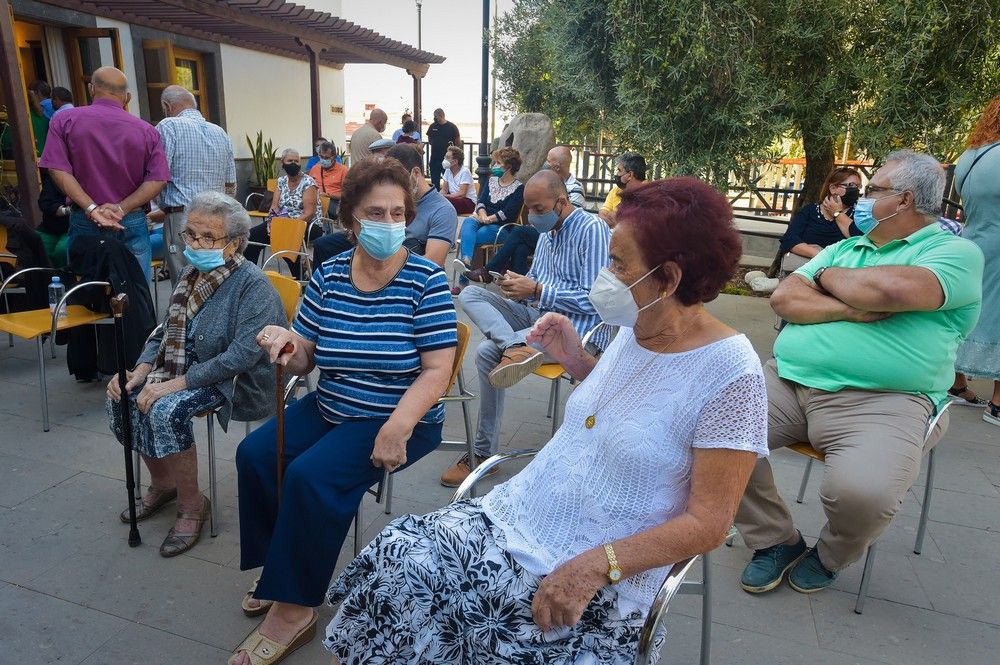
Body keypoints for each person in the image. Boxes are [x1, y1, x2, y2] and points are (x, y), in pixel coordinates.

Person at [323, 177, 766, 664]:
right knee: (397, 555)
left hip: (600, 568)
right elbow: (633, 410)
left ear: (669, 279)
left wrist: (598, 566)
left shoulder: (730, 373)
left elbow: (710, 523)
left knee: (450, 607)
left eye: (618, 263)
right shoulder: (638, 326)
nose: (606, 273)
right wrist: (576, 361)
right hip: (529, 513)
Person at [230, 158, 458, 665]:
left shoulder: (425, 279)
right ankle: (278, 569)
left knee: (311, 477)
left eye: (397, 212)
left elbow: (438, 370)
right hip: (334, 403)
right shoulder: (330, 275)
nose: (389, 222)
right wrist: (289, 346)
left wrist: (399, 425)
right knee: (256, 454)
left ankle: (294, 609)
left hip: (399, 415)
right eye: (376, 211)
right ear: (352, 219)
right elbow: (308, 353)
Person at [735, 150, 983, 596]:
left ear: (904, 200)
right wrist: (851, 305)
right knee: (710, 434)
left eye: (872, 190)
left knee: (863, 495)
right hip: (789, 380)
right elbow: (786, 300)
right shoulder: (846, 247)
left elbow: (889, 288)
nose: (860, 199)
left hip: (887, 399)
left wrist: (825, 276)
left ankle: (830, 555)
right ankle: (775, 540)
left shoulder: (955, 252)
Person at [105, 191, 285, 556]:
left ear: (234, 244)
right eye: (190, 234)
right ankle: (164, 482)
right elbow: (166, 327)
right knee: (122, 396)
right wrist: (140, 369)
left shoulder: (253, 286)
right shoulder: (192, 272)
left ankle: (192, 505)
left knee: (167, 409)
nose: (195, 244)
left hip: (232, 377)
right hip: (183, 362)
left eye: (208, 238)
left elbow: (240, 357)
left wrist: (172, 384)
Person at [442, 170, 611, 487]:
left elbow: (597, 302)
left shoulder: (592, 229)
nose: (532, 217)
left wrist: (536, 291)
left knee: (484, 353)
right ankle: (512, 347)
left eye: (538, 210)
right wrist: (513, 287)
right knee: (471, 293)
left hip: (575, 333)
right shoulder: (547, 236)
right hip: (540, 318)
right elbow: (537, 291)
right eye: (528, 209)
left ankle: (483, 454)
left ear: (561, 202)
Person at [39, 66, 169, 282]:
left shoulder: (64, 121)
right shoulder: (147, 130)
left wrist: (92, 208)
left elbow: (57, 169)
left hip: (84, 218)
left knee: (87, 295)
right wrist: (121, 208)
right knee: (134, 297)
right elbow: (157, 179)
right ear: (127, 97)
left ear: (91, 89)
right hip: (130, 218)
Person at [312, 144, 456, 268]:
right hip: (374, 241)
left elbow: (434, 261)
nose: (395, 184)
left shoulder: (442, 210)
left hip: (405, 256)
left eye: (400, 178)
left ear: (416, 173)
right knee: (324, 245)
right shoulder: (391, 196)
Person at [464, 145, 588, 283]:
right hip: (543, 231)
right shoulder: (546, 184)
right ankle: (519, 289)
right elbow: (481, 202)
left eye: (548, 160)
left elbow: (568, 221)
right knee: (520, 247)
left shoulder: (575, 188)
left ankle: (489, 270)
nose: (545, 163)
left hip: (561, 235)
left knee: (519, 232)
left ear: (557, 167)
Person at [156, 85, 236, 287]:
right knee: (213, 279)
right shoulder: (219, 132)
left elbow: (158, 176)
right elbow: (230, 184)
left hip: (183, 217)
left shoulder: (169, 126)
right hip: (217, 216)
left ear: (167, 106)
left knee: (185, 282)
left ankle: (186, 319)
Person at [952, 93, 1000, 420]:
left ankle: (954, 383)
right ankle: (998, 402)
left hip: (972, 240)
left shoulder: (969, 156)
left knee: (967, 308)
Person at [745, 168, 862, 293]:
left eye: (857, 187)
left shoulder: (860, 215)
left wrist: (837, 213)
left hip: (839, 274)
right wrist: (819, 254)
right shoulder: (810, 211)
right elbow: (789, 240)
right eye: (850, 185)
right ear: (832, 188)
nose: (854, 190)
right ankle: (783, 283)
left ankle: (780, 283)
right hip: (806, 266)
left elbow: (858, 239)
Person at [452, 147, 524, 294]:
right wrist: (483, 216)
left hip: (501, 228)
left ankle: (462, 283)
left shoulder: (519, 188)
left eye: (498, 163)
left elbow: (508, 212)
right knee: (468, 222)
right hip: (482, 219)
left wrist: (488, 219)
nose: (494, 166)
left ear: (508, 167)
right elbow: (481, 202)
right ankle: (466, 261)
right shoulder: (492, 181)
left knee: (471, 237)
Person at [244, 148, 321, 278]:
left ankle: (299, 277)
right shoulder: (281, 181)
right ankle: (250, 275)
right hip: (282, 222)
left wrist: (287, 225)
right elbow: (274, 207)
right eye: (290, 161)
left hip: (307, 224)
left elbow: (309, 213)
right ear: (283, 163)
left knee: (285, 237)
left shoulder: (308, 182)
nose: (293, 164)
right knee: (252, 236)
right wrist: (271, 222)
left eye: (296, 161)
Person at [599, 151, 646, 228]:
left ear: (630, 175)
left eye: (619, 170)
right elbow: (602, 213)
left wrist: (615, 221)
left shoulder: (649, 193)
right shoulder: (615, 191)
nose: (617, 174)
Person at [36, 169, 71, 268]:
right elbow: (44, 203)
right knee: (36, 245)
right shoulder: (54, 176)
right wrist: (66, 210)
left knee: (62, 250)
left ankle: (64, 278)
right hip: (50, 227)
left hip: (73, 228)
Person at [307, 140, 347, 219]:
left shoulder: (343, 170)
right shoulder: (315, 169)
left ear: (334, 157)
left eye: (327, 158)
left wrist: (328, 195)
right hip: (315, 202)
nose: (323, 160)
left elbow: (347, 195)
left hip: (335, 203)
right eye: (321, 157)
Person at [427, 107, 461, 189]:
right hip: (434, 159)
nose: (434, 118)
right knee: (434, 182)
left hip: (447, 160)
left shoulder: (452, 127)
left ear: (441, 116)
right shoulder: (432, 126)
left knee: (449, 181)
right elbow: (430, 139)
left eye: (435, 116)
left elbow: (458, 142)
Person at [441, 145, 477, 214]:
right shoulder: (448, 170)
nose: (444, 159)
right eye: (445, 157)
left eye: (447, 158)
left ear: (455, 161)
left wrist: (445, 196)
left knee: (445, 202)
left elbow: (462, 194)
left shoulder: (464, 172)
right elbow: (444, 190)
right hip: (454, 199)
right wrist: (437, 196)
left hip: (468, 202)